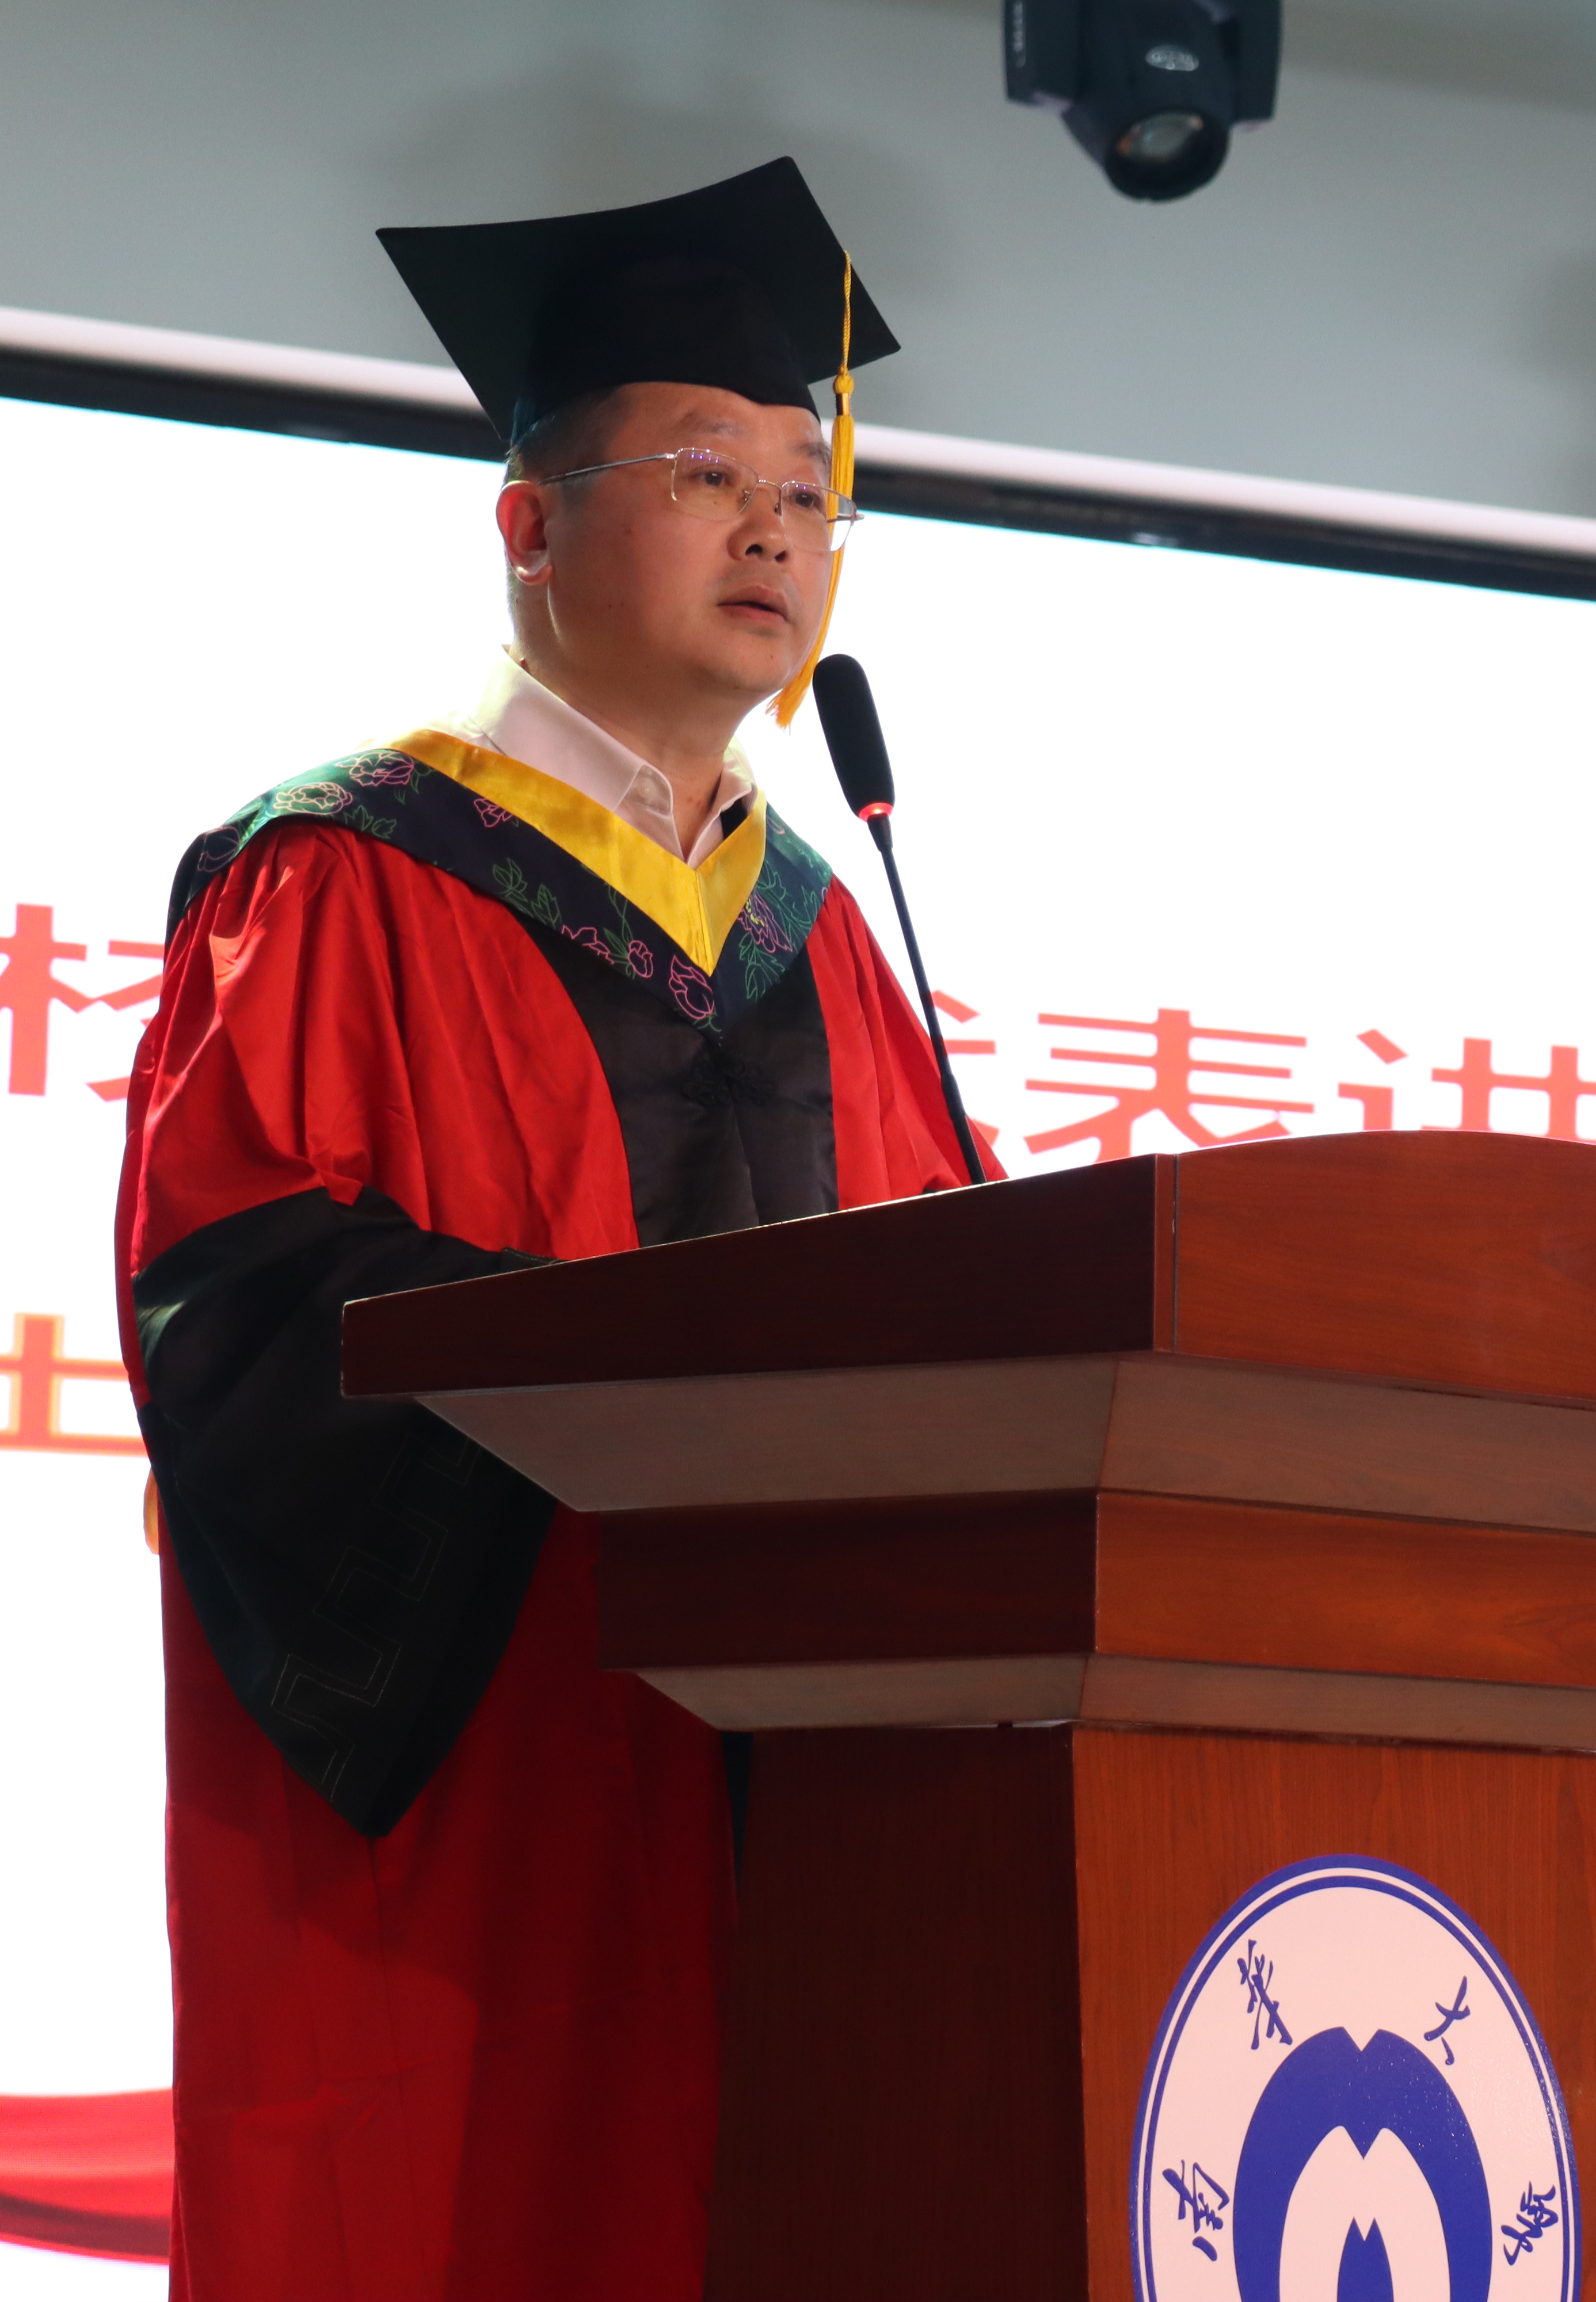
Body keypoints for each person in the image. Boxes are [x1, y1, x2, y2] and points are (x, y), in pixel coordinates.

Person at [116, 160, 970, 2299]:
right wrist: (649, 1392)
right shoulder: (338, 875)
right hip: (498, 1773)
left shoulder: (828, 937)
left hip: (815, 1801)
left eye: (807, 493)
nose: (774, 530)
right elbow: (245, 1309)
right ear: (527, 521)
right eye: (706, 474)